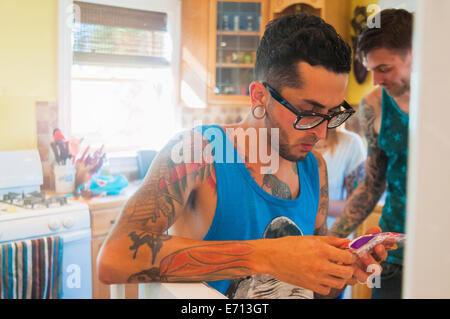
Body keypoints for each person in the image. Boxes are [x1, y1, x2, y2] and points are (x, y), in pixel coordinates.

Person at [97, 13, 387, 299]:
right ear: (259, 96)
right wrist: (266, 256)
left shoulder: (315, 168)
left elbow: (314, 289)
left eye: (332, 113)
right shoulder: (199, 152)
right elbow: (114, 259)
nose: (322, 133)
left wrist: (345, 271)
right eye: (309, 113)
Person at [329, 9, 413, 299]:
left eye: (384, 68)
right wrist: (331, 238)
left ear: (414, 54)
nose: (375, 79)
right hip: (391, 255)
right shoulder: (373, 106)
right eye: (370, 68)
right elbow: (372, 184)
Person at [314, 127, 367, 230]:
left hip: (332, 233)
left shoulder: (350, 143)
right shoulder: (283, 142)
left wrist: (313, 204)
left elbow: (358, 204)